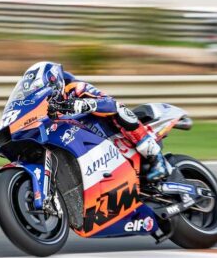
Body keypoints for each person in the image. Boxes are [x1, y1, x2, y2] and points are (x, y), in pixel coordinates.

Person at [38, 61, 169, 181]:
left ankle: (157, 159)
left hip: (110, 134)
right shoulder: (45, 107)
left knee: (120, 110)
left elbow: (109, 103)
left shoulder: (75, 88)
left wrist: (82, 104)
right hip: (85, 149)